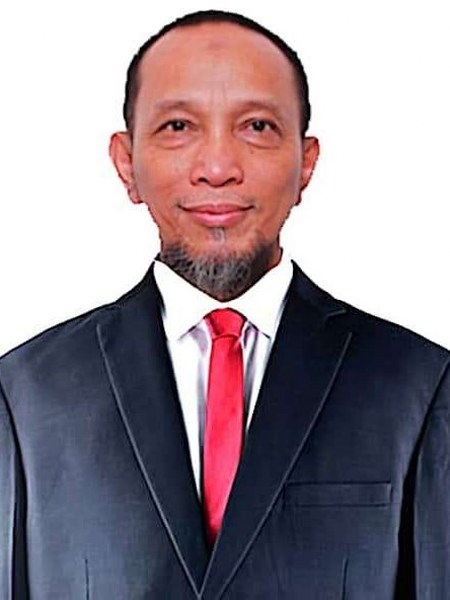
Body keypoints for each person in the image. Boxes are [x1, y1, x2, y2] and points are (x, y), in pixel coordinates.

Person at [0, 9, 449, 599]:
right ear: (126, 163)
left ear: (306, 163)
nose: (217, 168)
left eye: (257, 126)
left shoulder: (417, 384)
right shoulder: (26, 393)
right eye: (178, 126)